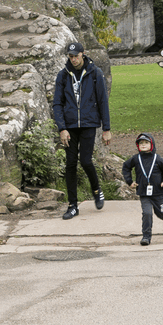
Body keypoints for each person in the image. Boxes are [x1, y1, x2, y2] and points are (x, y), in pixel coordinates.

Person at [52, 41, 110, 219]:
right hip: (69, 126)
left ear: (83, 54)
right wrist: (62, 128)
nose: (74, 59)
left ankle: (96, 189)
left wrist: (106, 128)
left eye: (76, 56)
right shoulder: (63, 75)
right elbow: (57, 103)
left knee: (85, 161)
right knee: (70, 164)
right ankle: (72, 205)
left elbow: (102, 101)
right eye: (70, 56)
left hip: (88, 123)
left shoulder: (95, 73)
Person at [122, 133, 163, 245]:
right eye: (141, 143)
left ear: (152, 144)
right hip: (144, 193)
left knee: (162, 213)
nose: (143, 145)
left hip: (158, 193)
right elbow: (126, 167)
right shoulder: (136, 159)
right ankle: (146, 236)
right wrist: (130, 181)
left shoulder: (157, 158)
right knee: (147, 213)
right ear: (138, 145)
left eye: (146, 143)